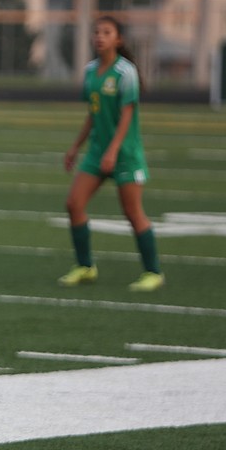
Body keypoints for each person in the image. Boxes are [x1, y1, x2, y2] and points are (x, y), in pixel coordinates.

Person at [58, 15, 164, 292]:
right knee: (73, 204)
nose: (99, 36)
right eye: (96, 32)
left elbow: (127, 116)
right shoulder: (90, 72)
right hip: (96, 152)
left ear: (118, 39)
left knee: (132, 212)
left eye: (106, 32)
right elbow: (93, 115)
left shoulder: (125, 72)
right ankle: (85, 266)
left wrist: (114, 151)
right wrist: (75, 147)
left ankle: (153, 272)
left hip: (125, 154)